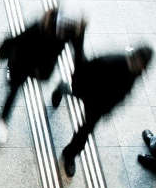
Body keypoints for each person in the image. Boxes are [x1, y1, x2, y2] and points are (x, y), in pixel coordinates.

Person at [52, 45, 153, 177]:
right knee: (76, 97)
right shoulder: (113, 61)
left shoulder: (135, 73)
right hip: (90, 92)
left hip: (99, 106)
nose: (140, 67)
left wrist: (109, 108)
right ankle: (63, 88)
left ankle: (69, 153)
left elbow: (123, 93)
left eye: (142, 65)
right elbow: (89, 67)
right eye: (140, 62)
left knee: (85, 131)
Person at [0, 9, 85, 144]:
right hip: (24, 60)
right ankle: (2, 121)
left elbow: (79, 55)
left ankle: (59, 89)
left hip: (43, 67)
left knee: (38, 79)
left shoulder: (72, 32)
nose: (62, 33)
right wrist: (4, 52)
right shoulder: (39, 27)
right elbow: (18, 40)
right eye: (59, 29)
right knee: (14, 89)